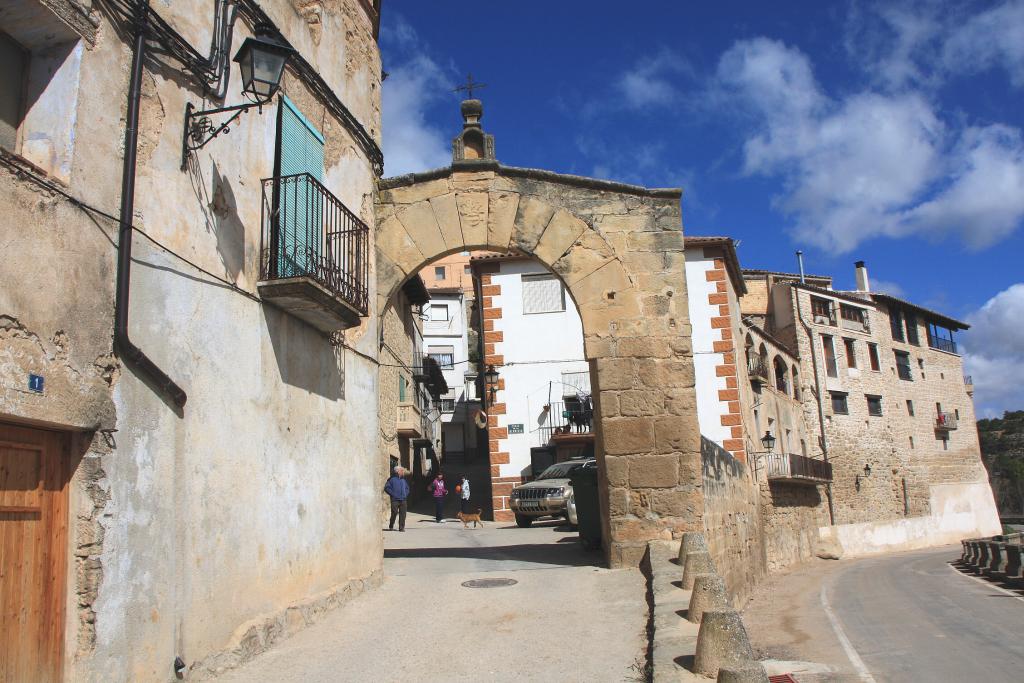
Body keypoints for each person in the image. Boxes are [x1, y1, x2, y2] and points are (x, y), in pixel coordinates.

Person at [384, 466, 409, 532]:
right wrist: (393, 494)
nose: (403, 472)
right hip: (395, 500)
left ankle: (401, 528)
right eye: (401, 470)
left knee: (403, 514)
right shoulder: (391, 479)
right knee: (394, 513)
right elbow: (387, 488)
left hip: (403, 499)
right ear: (397, 471)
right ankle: (391, 525)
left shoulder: (403, 480)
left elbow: (407, 488)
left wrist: (405, 494)